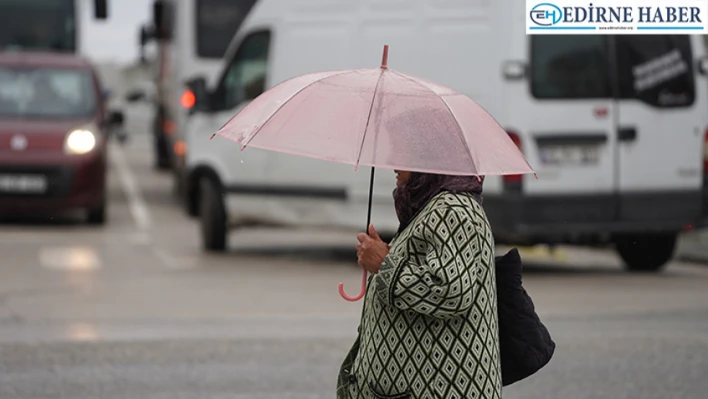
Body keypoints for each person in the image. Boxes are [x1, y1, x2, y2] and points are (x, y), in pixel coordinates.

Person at [336, 170, 502, 399]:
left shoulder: (452, 210)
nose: (394, 164)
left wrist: (385, 264)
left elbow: (451, 293)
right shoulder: (431, 206)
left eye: (405, 152)